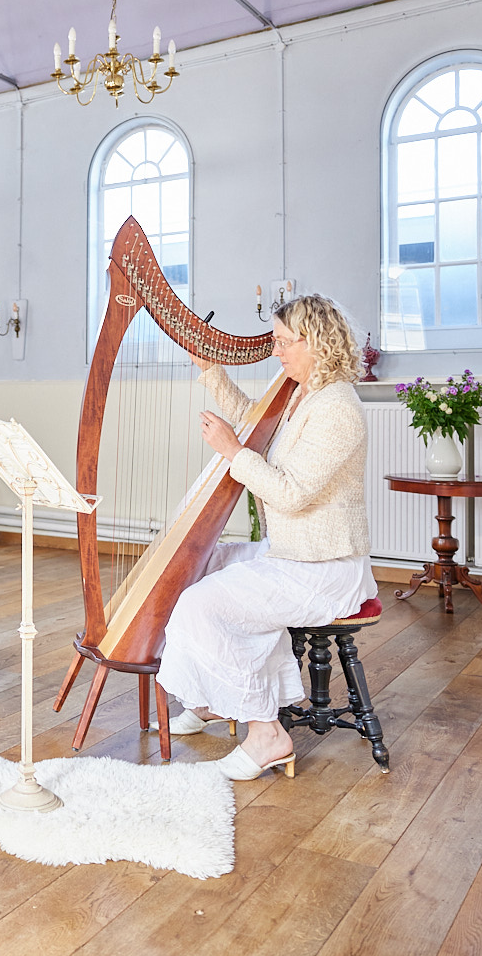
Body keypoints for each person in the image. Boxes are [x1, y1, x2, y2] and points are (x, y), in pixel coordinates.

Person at [155, 293, 374, 780]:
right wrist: (210, 371)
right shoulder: (301, 393)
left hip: (324, 568)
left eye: (282, 342)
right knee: (202, 563)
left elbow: (292, 494)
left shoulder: (337, 408)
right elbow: (257, 422)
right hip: (291, 554)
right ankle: (210, 700)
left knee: (202, 605)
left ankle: (266, 732)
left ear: (315, 341)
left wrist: (232, 451)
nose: (275, 351)